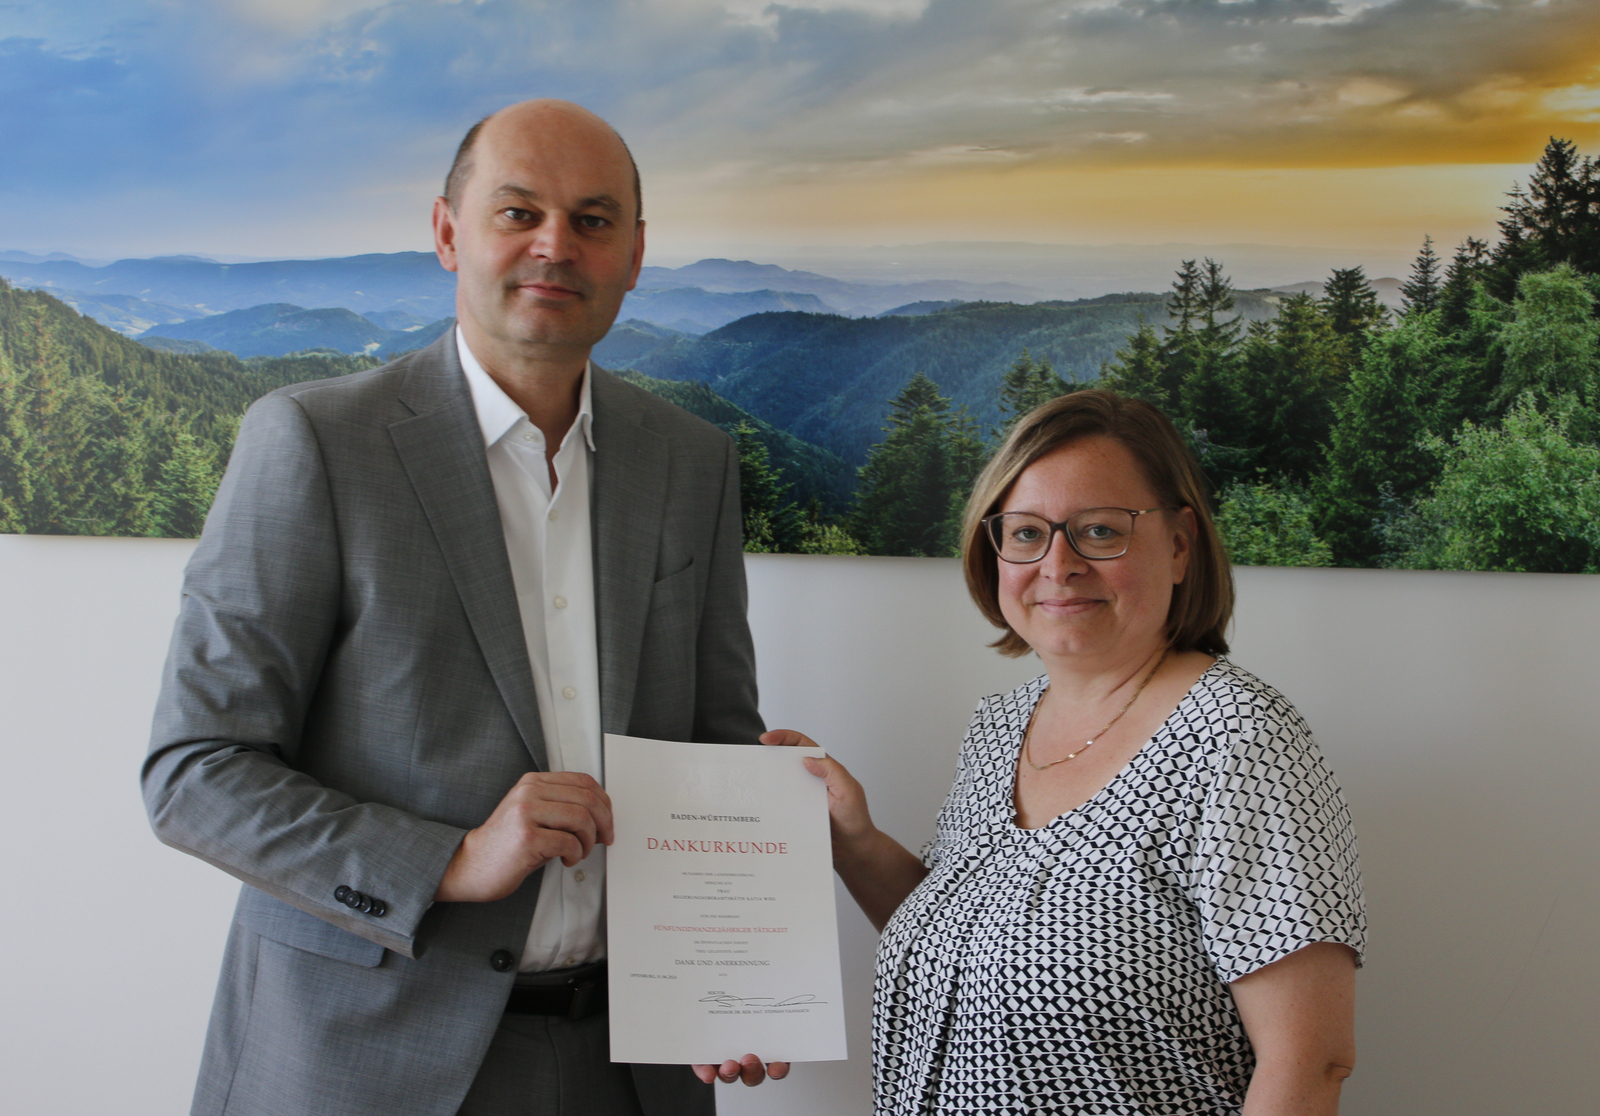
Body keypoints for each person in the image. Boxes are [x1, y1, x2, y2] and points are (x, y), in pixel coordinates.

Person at [143, 99, 782, 1116]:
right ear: (447, 232)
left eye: (593, 219)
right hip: (362, 1065)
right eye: (518, 211)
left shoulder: (689, 462)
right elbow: (196, 774)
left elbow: (710, 745)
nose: (555, 246)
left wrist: (741, 956)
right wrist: (451, 860)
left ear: (635, 254)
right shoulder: (312, 442)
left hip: (630, 1067)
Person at [767, 390, 1365, 1114]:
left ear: (1179, 545)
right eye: (1025, 533)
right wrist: (852, 840)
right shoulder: (999, 727)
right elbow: (975, 948)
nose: (1059, 564)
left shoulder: (1240, 739)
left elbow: (1310, 1061)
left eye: (1101, 531)